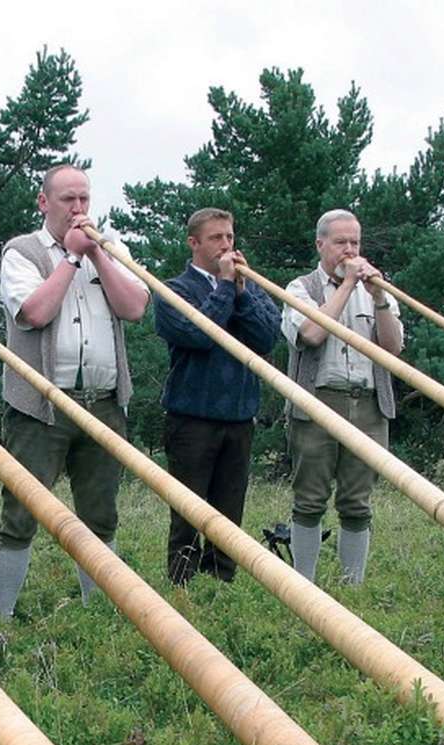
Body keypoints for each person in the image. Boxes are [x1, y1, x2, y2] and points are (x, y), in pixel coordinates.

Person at [0, 163, 150, 616]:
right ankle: (0, 616)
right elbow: (34, 313)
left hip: (102, 403)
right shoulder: (20, 252)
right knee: (21, 512)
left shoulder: (111, 248)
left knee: (100, 514)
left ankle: (95, 615)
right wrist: (72, 259)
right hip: (41, 407)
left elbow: (136, 306)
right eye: (68, 200)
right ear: (44, 203)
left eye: (84, 199)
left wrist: (98, 255)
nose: (78, 209)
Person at [153, 208, 280, 584]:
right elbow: (198, 334)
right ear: (194, 243)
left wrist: (240, 293)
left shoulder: (247, 287)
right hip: (191, 420)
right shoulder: (172, 290)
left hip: (239, 418)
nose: (226, 245)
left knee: (229, 512)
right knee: (188, 512)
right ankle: (182, 584)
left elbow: (267, 337)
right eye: (216, 238)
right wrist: (225, 287)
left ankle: (221, 584)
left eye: (229, 237)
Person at [280, 209, 403, 584]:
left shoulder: (376, 291)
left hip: (368, 404)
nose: (350, 250)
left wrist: (379, 296)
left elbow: (393, 348)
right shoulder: (300, 288)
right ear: (321, 245)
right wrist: (347, 286)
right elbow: (312, 335)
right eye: (340, 243)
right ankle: (304, 585)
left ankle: (354, 587)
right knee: (310, 499)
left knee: (357, 502)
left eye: (355, 242)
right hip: (318, 403)